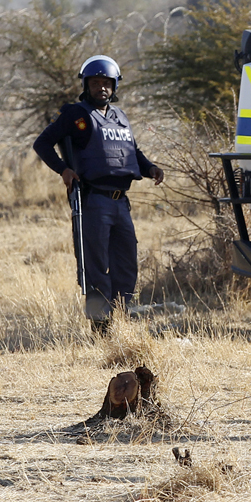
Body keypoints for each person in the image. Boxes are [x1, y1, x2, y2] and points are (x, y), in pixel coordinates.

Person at [32, 55, 164, 334]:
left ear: (115, 86)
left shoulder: (120, 117)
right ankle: (101, 328)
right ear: (86, 85)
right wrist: (63, 170)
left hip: (121, 203)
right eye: (95, 83)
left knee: (126, 263)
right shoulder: (75, 114)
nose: (101, 88)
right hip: (93, 201)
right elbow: (42, 143)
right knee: (96, 266)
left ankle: (123, 319)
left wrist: (150, 167)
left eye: (107, 83)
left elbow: (132, 152)